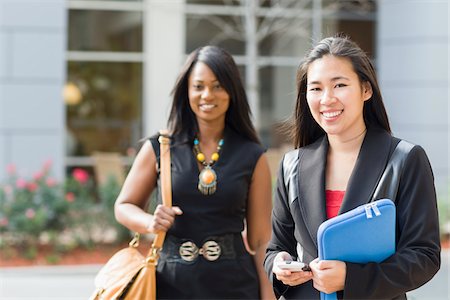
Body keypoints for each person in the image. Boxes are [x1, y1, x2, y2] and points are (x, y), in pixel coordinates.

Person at [264, 35, 441, 299]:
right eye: (315, 88)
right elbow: (277, 247)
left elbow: (424, 256)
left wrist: (351, 277)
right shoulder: (292, 164)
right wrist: (279, 265)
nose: (327, 99)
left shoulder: (405, 159)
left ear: (366, 90)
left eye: (339, 85)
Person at [115, 45, 275, 299]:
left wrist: (269, 296)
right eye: (198, 86)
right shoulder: (161, 146)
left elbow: (260, 240)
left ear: (232, 91)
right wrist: (150, 222)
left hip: (235, 284)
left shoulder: (253, 155)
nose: (207, 95)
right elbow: (123, 205)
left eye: (217, 86)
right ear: (186, 91)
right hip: (170, 283)